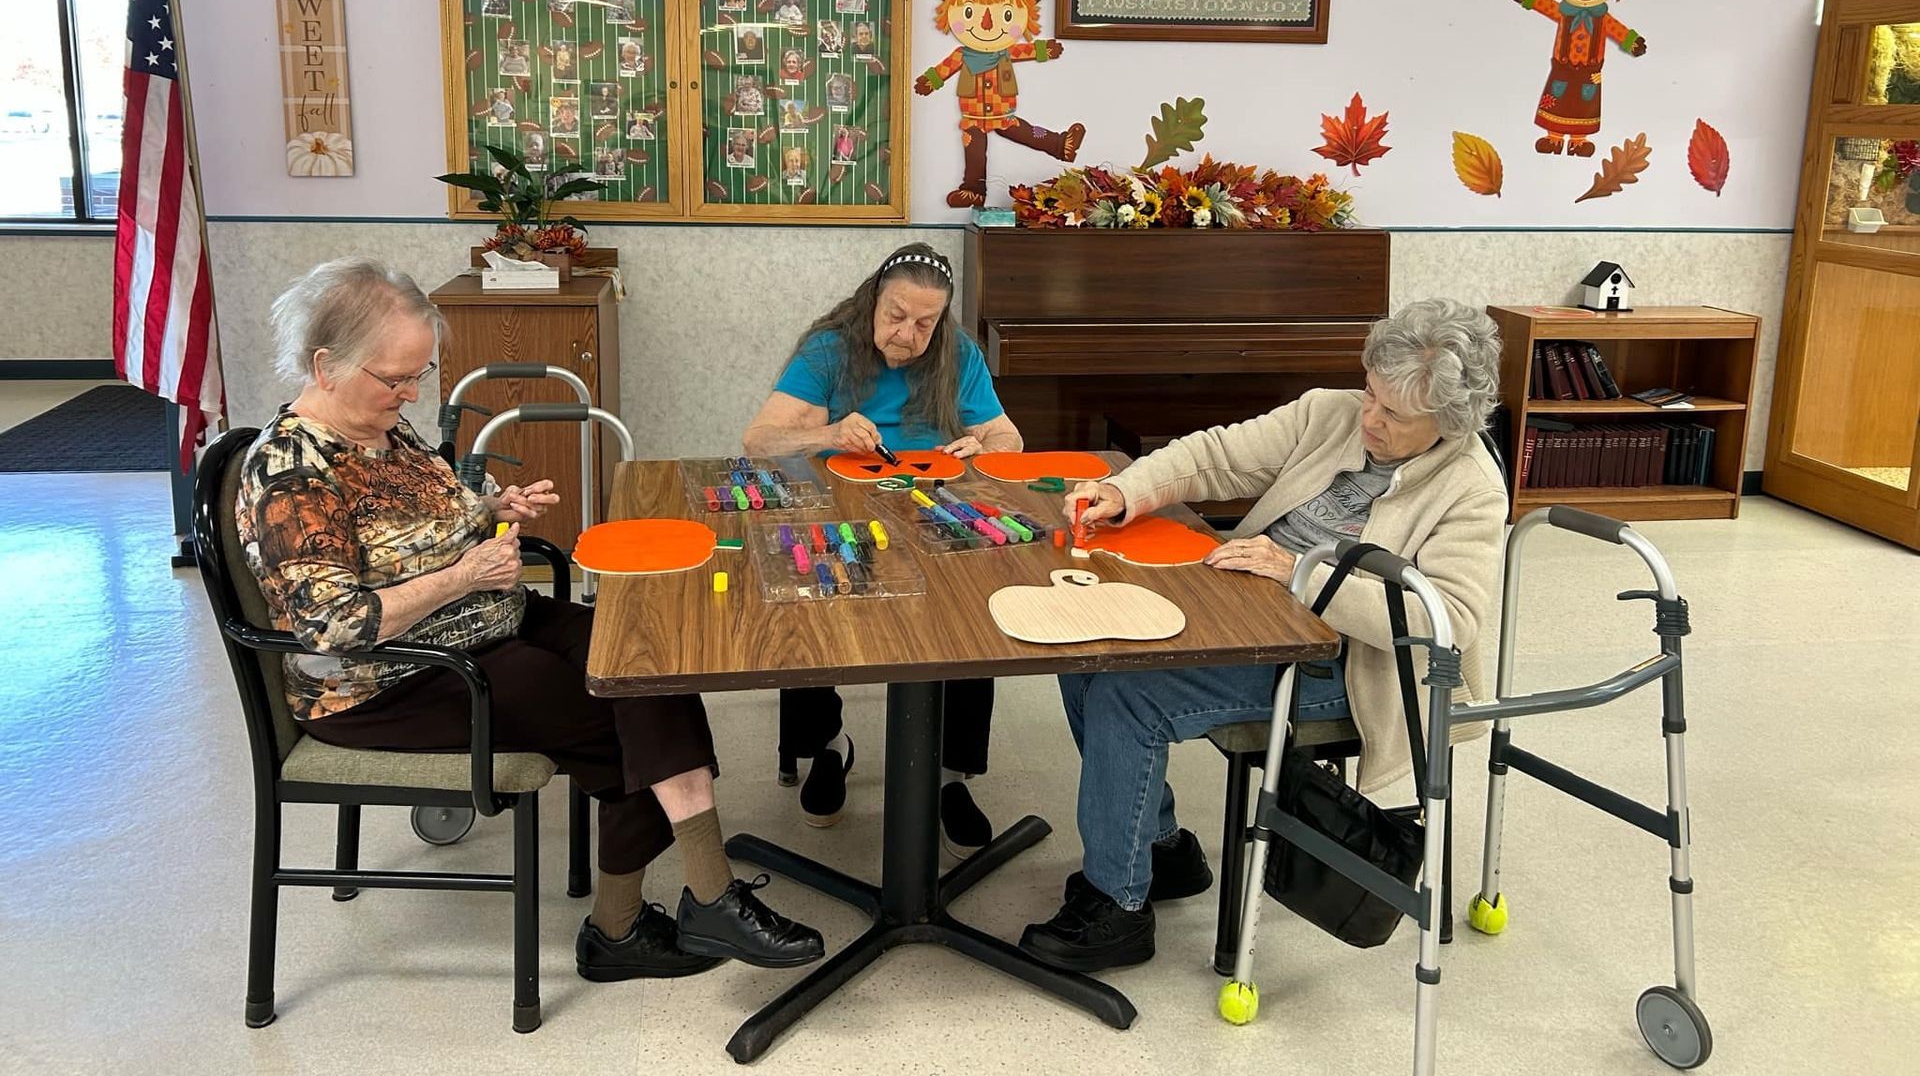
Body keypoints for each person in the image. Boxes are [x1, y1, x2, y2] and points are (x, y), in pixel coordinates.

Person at [237, 259, 824, 984]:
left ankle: (678, 908)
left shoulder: (383, 429)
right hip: (389, 682)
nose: (410, 393)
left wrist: (490, 509)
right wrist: (464, 573)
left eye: (418, 375)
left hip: (485, 624)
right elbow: (333, 625)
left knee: (643, 657)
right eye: (395, 378)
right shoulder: (292, 472)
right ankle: (656, 916)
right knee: (612, 708)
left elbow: (419, 520)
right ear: (325, 365)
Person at [1018, 300, 1506, 972]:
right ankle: (1159, 850)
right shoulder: (1328, 413)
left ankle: (1116, 908)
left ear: (1449, 423)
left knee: (1130, 694)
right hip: (1255, 616)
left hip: (1351, 667)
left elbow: (1444, 619)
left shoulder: (1472, 488)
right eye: (1370, 393)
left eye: (1393, 414)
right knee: (1089, 646)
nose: (1369, 418)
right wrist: (1124, 491)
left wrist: (1295, 572)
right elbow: (1218, 456)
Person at [742, 243, 1022, 855]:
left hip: (929, 497)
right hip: (840, 499)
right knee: (812, 602)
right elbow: (760, 440)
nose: (909, 334)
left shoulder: (958, 352)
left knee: (974, 609)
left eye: (926, 322)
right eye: (897, 315)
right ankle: (826, 747)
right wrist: (829, 432)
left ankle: (951, 774)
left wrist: (986, 446)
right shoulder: (831, 348)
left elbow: (1007, 436)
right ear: (874, 298)